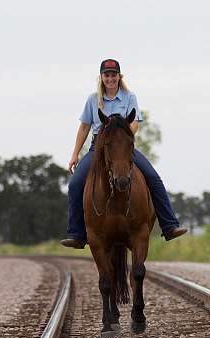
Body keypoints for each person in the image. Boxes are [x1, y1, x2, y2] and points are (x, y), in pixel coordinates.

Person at [60, 59, 187, 248]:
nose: (110, 78)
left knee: (153, 178)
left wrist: (123, 138)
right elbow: (85, 126)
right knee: (76, 184)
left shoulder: (129, 97)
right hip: (98, 148)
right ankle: (77, 233)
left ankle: (169, 225)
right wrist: (74, 154)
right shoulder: (92, 99)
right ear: (101, 77)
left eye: (113, 75)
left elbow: (135, 122)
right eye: (107, 75)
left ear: (119, 76)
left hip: (124, 147)